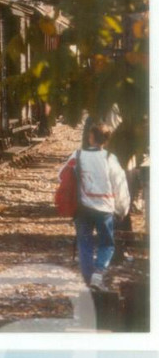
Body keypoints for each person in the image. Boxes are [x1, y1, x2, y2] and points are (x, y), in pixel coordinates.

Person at [61, 119, 131, 289]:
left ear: (90, 138)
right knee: (106, 244)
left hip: (83, 209)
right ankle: (98, 274)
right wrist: (122, 208)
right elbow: (120, 185)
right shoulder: (110, 159)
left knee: (84, 244)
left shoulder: (77, 155)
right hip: (105, 209)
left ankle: (88, 280)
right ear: (106, 140)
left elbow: (61, 175)